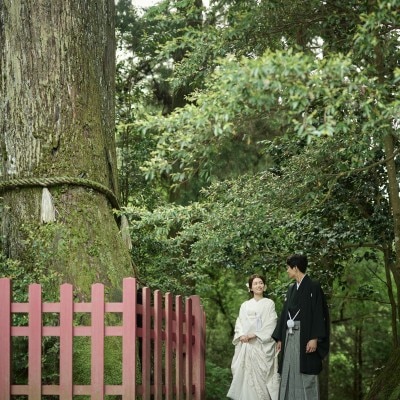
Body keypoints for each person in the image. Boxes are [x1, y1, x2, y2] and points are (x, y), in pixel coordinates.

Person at [272, 254, 330, 400]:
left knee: (306, 373)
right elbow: (285, 313)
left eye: (288, 268)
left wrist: (314, 338)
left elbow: (319, 313)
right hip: (289, 335)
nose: (287, 271)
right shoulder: (291, 288)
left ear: (295, 268)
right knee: (289, 369)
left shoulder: (314, 286)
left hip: (306, 336)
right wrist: (280, 337)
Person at [227, 274, 280, 400]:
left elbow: (271, 323)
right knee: (247, 380)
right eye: (255, 283)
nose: (258, 285)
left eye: (261, 283)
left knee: (263, 381)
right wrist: (241, 335)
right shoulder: (245, 305)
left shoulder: (269, 304)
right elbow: (239, 322)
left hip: (261, 347)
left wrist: (254, 334)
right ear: (250, 287)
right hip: (247, 347)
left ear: (265, 286)